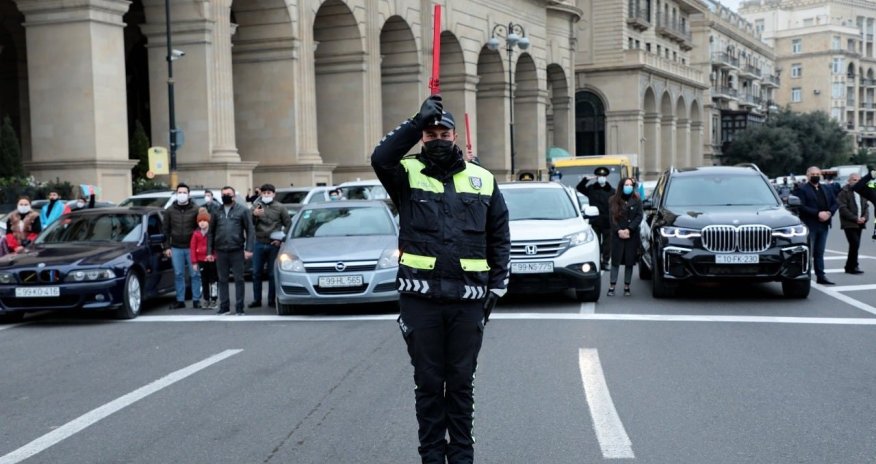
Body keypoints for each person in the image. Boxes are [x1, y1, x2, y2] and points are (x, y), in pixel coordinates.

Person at [371, 94, 511, 464]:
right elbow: (380, 157)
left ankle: (462, 456)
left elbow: (499, 234)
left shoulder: (483, 180)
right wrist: (416, 121)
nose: (436, 139)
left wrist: (497, 285)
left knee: (461, 383)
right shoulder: (406, 175)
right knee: (430, 385)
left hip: (468, 301)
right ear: (422, 138)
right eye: (429, 134)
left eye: (442, 133)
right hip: (420, 300)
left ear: (455, 138)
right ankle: (432, 456)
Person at [209, 186, 255, 315]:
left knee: (239, 279)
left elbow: (250, 230)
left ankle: (239, 307)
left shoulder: (243, 210)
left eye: (228, 194)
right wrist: (209, 251)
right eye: (223, 194)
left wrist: (249, 249)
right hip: (220, 250)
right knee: (222, 279)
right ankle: (224, 306)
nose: (226, 196)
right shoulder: (216, 211)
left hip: (237, 249)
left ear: (234, 196)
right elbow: (211, 232)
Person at [792, 166, 838, 285]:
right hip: (810, 225)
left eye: (818, 174)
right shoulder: (802, 189)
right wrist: (817, 213)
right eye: (813, 174)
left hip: (824, 225)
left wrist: (829, 213)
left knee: (819, 252)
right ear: (807, 175)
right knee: (809, 252)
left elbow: (835, 203)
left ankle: (821, 276)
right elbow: (801, 206)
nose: (815, 176)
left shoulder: (827, 188)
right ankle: (805, 276)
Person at [249, 183, 291, 309]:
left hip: (274, 243)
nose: (266, 195)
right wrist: (254, 215)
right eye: (264, 193)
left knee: (272, 274)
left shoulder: (280, 207)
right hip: (259, 242)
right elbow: (249, 224)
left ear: (274, 194)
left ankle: (272, 300)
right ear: (261, 194)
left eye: (269, 193)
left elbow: (289, 224)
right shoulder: (255, 207)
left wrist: (281, 239)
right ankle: (257, 300)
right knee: (256, 272)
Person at [163, 183, 202, 309]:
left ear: (188, 194)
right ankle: (180, 300)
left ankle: (196, 300)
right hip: (176, 247)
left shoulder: (196, 209)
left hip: (192, 248)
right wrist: (167, 247)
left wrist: (198, 246)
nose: (182, 195)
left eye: (184, 192)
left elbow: (200, 228)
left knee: (195, 274)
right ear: (176, 194)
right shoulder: (169, 210)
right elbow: (166, 230)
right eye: (179, 192)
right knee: (178, 274)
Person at [607, 178, 643, 296]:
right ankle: (612, 286)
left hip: (631, 235)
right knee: (615, 261)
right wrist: (619, 231)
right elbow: (612, 218)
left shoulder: (637, 199)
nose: (629, 187)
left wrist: (629, 229)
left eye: (630, 185)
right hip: (617, 236)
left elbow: (639, 216)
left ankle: (627, 287)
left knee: (629, 261)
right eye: (626, 185)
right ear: (621, 186)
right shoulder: (613, 200)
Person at [576, 166, 615, 268]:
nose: (601, 178)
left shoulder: (612, 191)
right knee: (595, 242)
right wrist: (585, 179)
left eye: (603, 176)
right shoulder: (591, 189)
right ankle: (597, 261)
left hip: (607, 221)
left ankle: (605, 261)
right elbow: (579, 188)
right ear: (597, 177)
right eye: (599, 176)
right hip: (595, 220)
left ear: (606, 177)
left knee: (608, 244)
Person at [836, 173, 868, 274]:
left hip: (860, 223)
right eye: (854, 180)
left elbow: (866, 207)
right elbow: (842, 209)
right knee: (854, 243)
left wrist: (864, 218)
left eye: (859, 180)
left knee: (855, 245)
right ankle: (854, 266)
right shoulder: (843, 192)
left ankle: (849, 266)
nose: (857, 182)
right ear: (849, 181)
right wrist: (855, 219)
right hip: (849, 223)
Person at [190, 208, 218, 309]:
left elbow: (216, 246)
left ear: (209, 221)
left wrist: (214, 256)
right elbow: (192, 248)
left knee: (213, 280)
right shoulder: (196, 234)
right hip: (201, 260)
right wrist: (194, 262)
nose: (202, 223)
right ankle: (206, 299)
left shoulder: (213, 233)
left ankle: (214, 299)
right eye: (200, 221)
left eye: (204, 221)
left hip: (212, 260)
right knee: (204, 280)